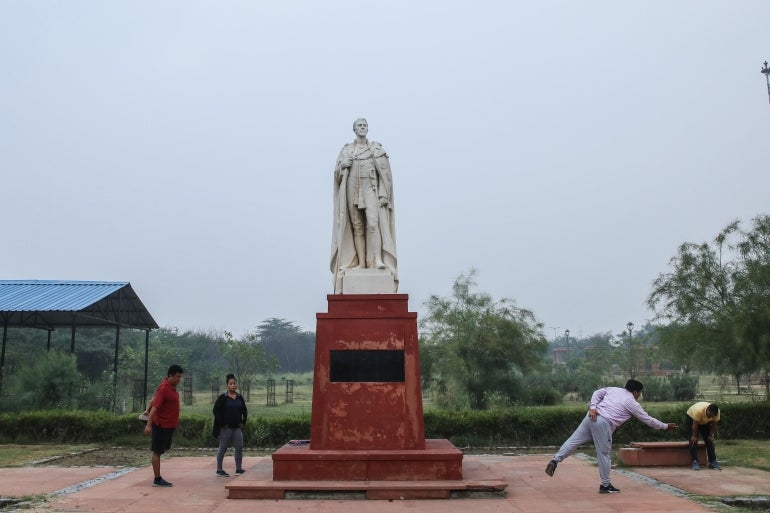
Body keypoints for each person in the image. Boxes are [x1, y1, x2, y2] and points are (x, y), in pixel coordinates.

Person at [544, 379, 679, 494]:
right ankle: (605, 485)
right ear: (636, 392)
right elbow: (647, 419)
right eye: (640, 393)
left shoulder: (614, 389)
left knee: (573, 441)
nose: (639, 395)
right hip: (603, 423)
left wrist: (592, 407)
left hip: (591, 416)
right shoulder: (631, 402)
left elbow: (597, 393)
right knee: (604, 454)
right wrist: (665, 426)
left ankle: (555, 460)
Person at [330, 118, 398, 293]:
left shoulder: (376, 149)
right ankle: (360, 262)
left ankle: (377, 260)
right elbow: (337, 177)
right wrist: (342, 167)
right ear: (354, 129)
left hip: (371, 189)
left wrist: (384, 193)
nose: (362, 128)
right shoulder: (346, 150)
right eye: (359, 125)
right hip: (352, 189)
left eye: (364, 125)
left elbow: (386, 175)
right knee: (357, 227)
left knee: (373, 224)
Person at [143, 364, 184, 487]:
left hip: (169, 425)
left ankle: (157, 477)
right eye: (177, 377)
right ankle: (157, 479)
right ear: (171, 376)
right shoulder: (164, 388)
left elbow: (154, 400)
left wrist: (147, 409)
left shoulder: (171, 387)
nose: (179, 379)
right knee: (157, 451)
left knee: (165, 448)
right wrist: (149, 425)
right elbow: (156, 407)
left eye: (180, 377)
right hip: (160, 425)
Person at [212, 373, 248, 477]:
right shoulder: (223, 398)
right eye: (230, 383)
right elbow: (215, 411)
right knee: (223, 447)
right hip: (225, 428)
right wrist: (222, 422)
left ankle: (239, 469)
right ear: (227, 385)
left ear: (236, 385)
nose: (232, 385)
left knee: (239, 447)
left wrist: (243, 422)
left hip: (237, 427)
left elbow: (244, 410)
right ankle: (219, 469)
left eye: (234, 383)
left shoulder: (240, 397)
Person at [686, 401, 721, 470]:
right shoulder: (698, 411)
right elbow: (695, 425)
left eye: (712, 416)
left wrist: (711, 435)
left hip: (705, 422)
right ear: (707, 410)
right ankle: (695, 461)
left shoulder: (717, 412)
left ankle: (713, 461)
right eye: (710, 415)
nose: (711, 417)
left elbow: (714, 424)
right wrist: (694, 436)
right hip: (692, 418)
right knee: (693, 440)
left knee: (709, 440)